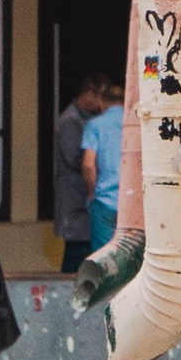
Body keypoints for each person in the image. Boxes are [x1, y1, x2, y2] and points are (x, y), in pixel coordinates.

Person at [53, 71, 110, 275]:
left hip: (84, 196)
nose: (101, 103)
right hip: (75, 197)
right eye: (99, 96)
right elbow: (74, 158)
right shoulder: (71, 120)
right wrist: (99, 162)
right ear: (87, 94)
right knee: (76, 252)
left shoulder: (89, 119)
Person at [86, 85, 126, 256]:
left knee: (104, 255)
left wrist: (91, 191)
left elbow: (88, 165)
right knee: (130, 253)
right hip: (131, 200)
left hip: (104, 200)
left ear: (102, 102)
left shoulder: (95, 125)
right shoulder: (134, 123)